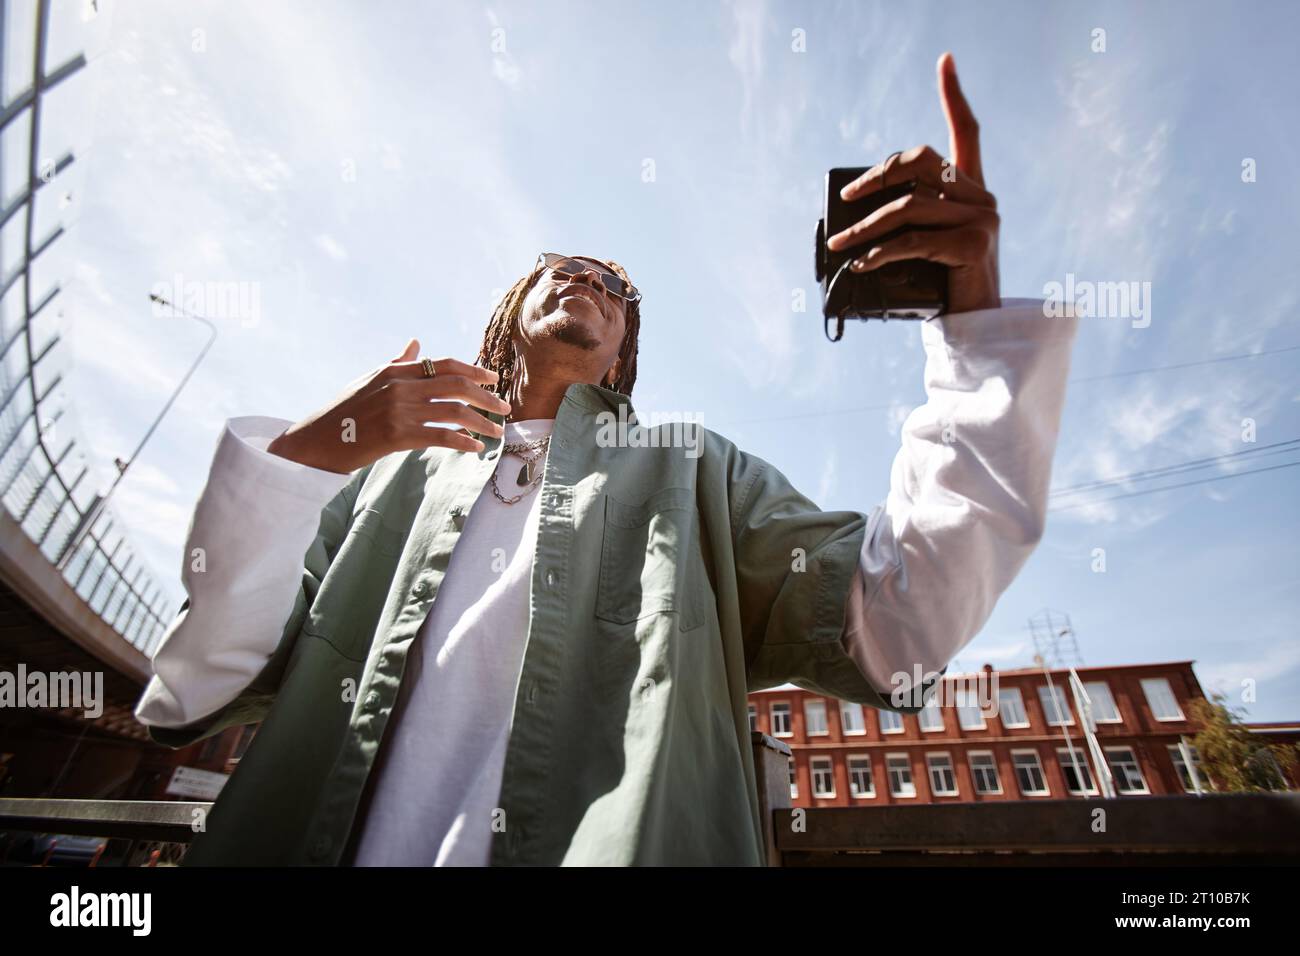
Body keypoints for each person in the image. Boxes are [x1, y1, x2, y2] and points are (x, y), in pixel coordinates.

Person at [134, 53, 1077, 865]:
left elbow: (905, 628)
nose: (592, 278)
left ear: (621, 353)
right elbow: (195, 684)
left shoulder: (695, 472)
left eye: (617, 286)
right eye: (568, 267)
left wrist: (976, 336)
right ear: (512, 311)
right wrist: (314, 450)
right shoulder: (388, 474)